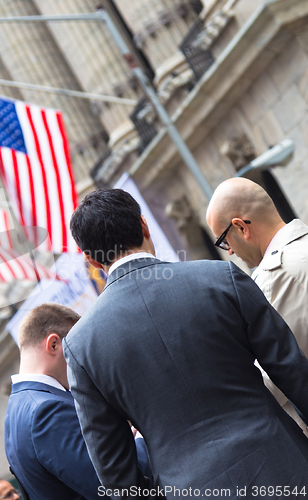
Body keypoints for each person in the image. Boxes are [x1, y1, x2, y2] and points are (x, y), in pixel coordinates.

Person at [64, 188, 308, 499]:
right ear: (144, 226)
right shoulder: (220, 277)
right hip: (285, 469)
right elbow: (293, 371)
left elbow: (115, 473)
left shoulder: (81, 346)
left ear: (90, 259)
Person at [5, 303, 152, 500]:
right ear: (54, 344)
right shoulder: (46, 411)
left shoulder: (16, 409)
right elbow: (113, 488)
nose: (81, 357)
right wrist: (140, 439)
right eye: (76, 347)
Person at [206, 177, 308, 432]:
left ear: (241, 227)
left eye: (224, 240)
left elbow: (274, 378)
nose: (229, 251)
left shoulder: (275, 276)